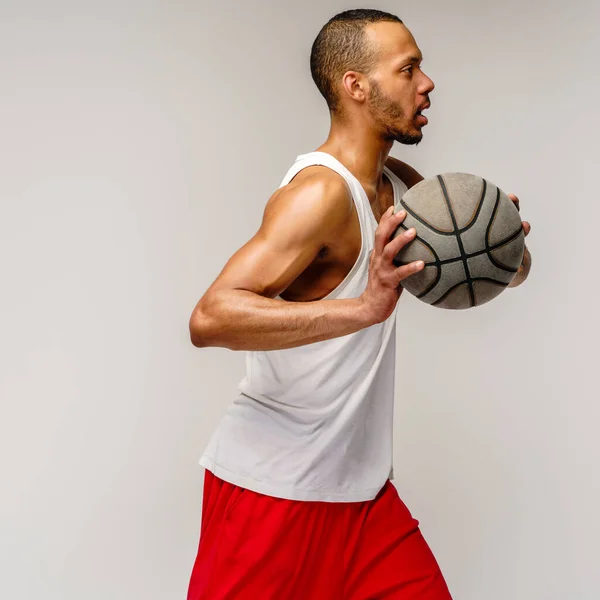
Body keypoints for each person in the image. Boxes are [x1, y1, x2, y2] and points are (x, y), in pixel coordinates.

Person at [186, 8, 531, 600]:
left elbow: (511, 273)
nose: (426, 84)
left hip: (364, 498)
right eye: (409, 69)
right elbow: (210, 317)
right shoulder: (318, 195)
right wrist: (362, 308)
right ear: (356, 86)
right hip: (273, 492)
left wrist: (501, 239)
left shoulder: (401, 186)